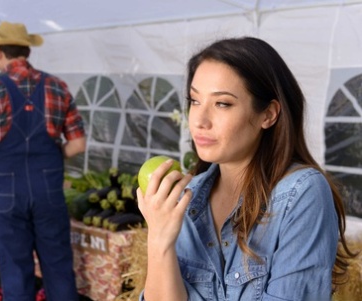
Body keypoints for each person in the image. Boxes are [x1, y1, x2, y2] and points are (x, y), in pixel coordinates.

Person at [137, 37, 357, 301]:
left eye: (222, 103)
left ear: (268, 115)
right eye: (195, 100)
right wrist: (159, 239)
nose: (200, 120)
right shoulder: (186, 196)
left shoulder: (301, 194)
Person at [0, 21, 86, 301]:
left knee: (16, 271)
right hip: (48, 189)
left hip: (5, 192)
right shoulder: (57, 86)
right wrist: (53, 155)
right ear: (27, 51)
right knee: (58, 267)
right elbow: (78, 144)